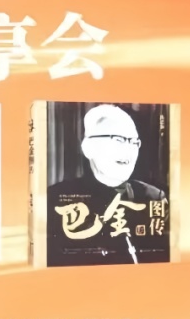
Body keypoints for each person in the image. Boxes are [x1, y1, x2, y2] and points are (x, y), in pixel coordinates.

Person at [46, 103, 169, 266]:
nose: (129, 150)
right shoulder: (55, 199)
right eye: (118, 140)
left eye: (134, 142)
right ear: (88, 148)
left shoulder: (154, 197)